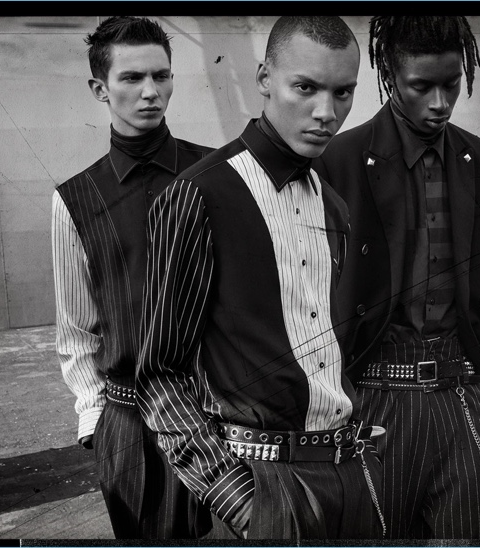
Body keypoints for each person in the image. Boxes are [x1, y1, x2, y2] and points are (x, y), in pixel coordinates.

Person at [135, 16, 385, 540]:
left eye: (343, 92)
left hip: (347, 474)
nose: (327, 112)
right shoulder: (198, 194)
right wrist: (240, 501)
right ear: (264, 78)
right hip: (259, 482)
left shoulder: (333, 205)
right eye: (306, 87)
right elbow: (160, 373)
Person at [313, 16, 480, 539]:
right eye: (422, 87)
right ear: (391, 77)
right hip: (371, 395)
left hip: (463, 394)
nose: (440, 103)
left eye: (452, 84)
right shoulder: (338, 160)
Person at [51, 16, 213, 539]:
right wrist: (95, 422)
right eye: (132, 78)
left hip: (215, 414)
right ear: (100, 89)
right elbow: (76, 330)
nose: (151, 91)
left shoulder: (217, 172)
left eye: (161, 76)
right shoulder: (74, 199)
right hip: (129, 427)